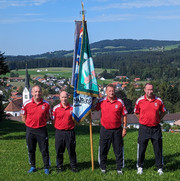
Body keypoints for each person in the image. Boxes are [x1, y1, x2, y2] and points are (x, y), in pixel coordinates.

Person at [94, 84, 128, 174]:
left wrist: (124, 128)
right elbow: (94, 108)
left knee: (118, 150)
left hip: (117, 130)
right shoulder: (101, 101)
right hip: (105, 130)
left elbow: (124, 115)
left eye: (113, 91)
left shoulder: (120, 102)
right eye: (109, 91)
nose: (111, 92)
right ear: (106, 92)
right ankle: (103, 168)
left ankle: (119, 168)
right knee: (103, 149)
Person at [134, 83, 166, 175]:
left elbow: (163, 111)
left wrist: (158, 119)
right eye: (148, 89)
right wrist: (142, 120)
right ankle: (140, 167)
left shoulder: (158, 100)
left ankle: (160, 168)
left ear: (153, 90)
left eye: (151, 89)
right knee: (142, 149)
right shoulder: (139, 100)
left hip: (156, 128)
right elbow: (136, 112)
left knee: (158, 149)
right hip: (144, 128)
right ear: (144, 89)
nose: (149, 91)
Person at [21, 85, 51, 175]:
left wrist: (40, 123)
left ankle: (46, 167)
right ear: (32, 93)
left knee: (44, 150)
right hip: (30, 130)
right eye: (35, 91)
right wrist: (29, 125)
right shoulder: (26, 103)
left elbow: (48, 117)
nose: (37, 93)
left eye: (39, 91)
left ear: (41, 92)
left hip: (42, 130)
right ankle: (33, 166)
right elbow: (23, 116)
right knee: (31, 149)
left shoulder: (46, 104)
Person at [52, 91, 78, 173]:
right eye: (62, 97)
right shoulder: (55, 108)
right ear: (59, 97)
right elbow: (53, 120)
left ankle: (73, 167)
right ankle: (59, 167)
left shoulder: (72, 108)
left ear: (68, 97)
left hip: (70, 132)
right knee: (59, 150)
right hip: (59, 132)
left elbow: (76, 119)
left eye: (65, 97)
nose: (64, 99)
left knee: (71, 150)